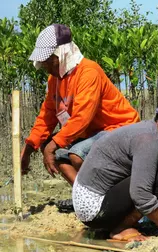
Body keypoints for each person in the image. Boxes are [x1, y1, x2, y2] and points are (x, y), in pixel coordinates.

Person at [72, 98, 158, 241]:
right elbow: (141, 194)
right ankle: (120, 228)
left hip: (102, 202)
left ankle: (120, 223)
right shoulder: (147, 140)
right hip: (93, 209)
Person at [21, 24, 140, 185]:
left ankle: (106, 197)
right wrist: (28, 149)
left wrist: (52, 145)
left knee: (77, 155)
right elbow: (47, 116)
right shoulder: (54, 79)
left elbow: (81, 118)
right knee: (53, 151)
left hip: (120, 128)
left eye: (49, 61)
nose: (46, 67)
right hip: (92, 133)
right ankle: (84, 197)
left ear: (62, 54)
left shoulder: (88, 72)